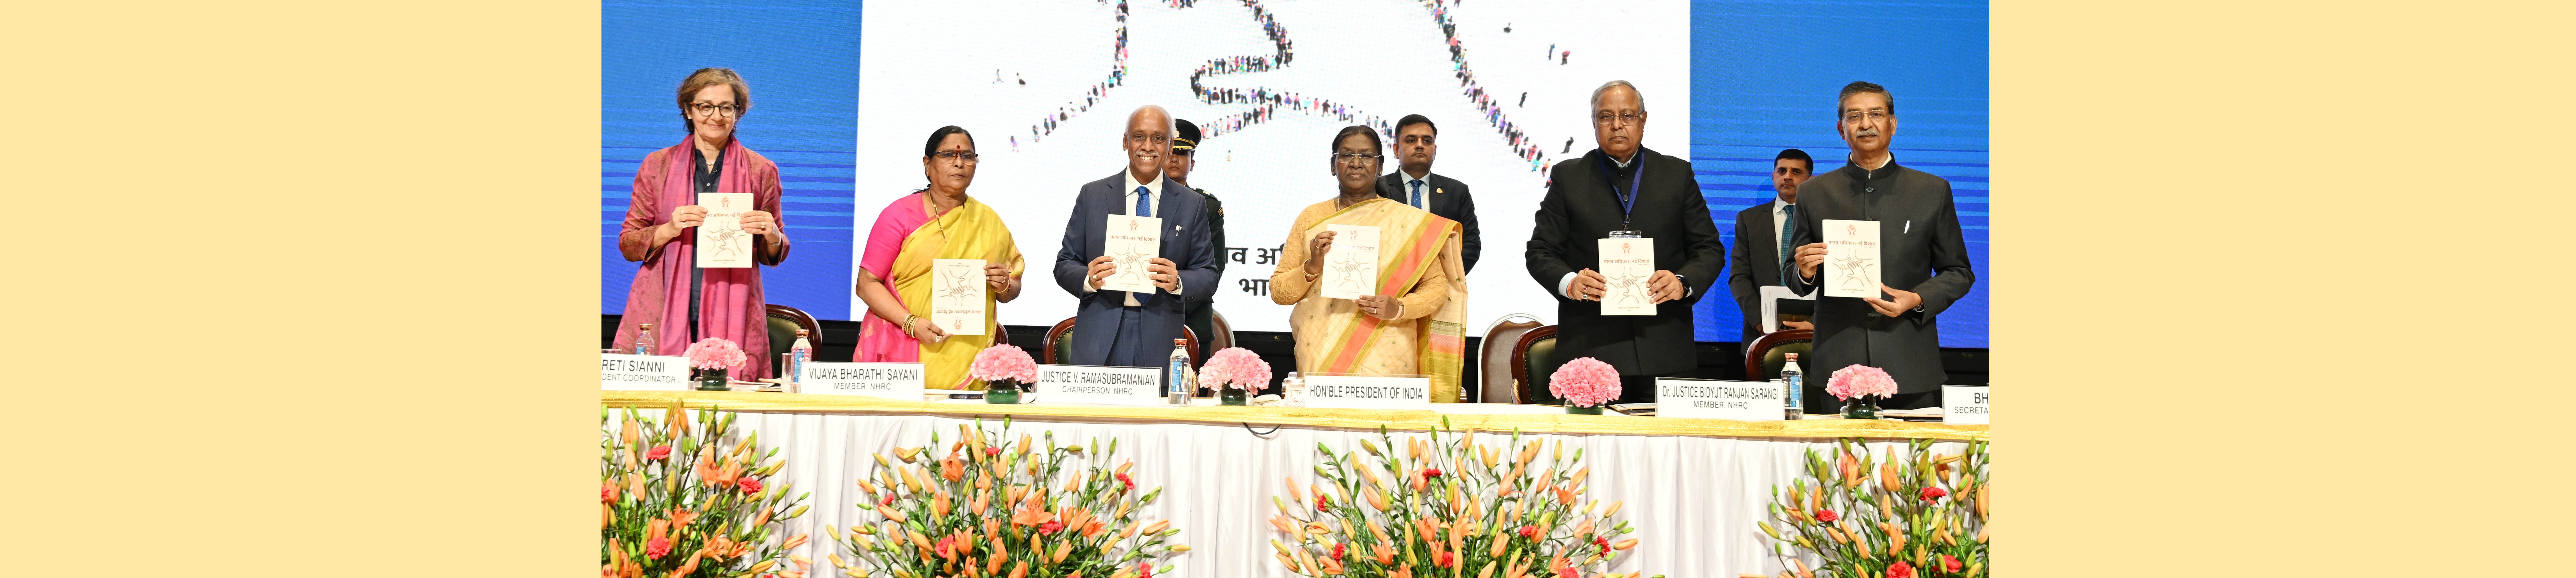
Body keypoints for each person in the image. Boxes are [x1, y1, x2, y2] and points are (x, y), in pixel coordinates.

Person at [1525, 80, 1725, 404]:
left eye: (1627, 115)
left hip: (1664, 347)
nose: (1617, 124)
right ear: (1594, 124)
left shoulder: (1677, 174)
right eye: (1606, 116)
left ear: (1643, 120)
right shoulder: (1569, 176)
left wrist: (1682, 282)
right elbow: (1540, 252)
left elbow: (1709, 249)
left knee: (1665, 454)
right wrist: (1571, 282)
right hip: (1591, 349)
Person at [1785, 81, 1976, 410]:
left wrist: (1917, 299)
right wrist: (1803, 270)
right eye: (1854, 116)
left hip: (1910, 362)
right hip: (1838, 364)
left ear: (1893, 124)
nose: (1865, 124)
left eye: (1876, 114)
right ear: (1840, 129)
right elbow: (1794, 278)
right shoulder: (1815, 193)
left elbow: (1958, 272)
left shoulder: (1931, 190)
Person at [612, 68, 790, 380]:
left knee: (730, 413)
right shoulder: (657, 165)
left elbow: (771, 252)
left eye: (726, 107)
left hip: (735, 302)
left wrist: (772, 234)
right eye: (705, 106)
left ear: (739, 113)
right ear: (688, 109)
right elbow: (628, 243)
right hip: (663, 303)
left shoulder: (762, 170)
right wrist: (668, 229)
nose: (716, 116)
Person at [1270, 126, 1467, 401]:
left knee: (1388, 442)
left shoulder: (1407, 221)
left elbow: (1437, 289)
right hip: (1323, 355)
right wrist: (1312, 266)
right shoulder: (1312, 217)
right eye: (1346, 155)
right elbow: (1279, 292)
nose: (1356, 162)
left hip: (1390, 353)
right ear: (1332, 165)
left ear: (1380, 166)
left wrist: (1398, 307)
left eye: (1366, 156)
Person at [851, 126, 1026, 389]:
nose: (959, 163)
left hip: (967, 355)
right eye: (948, 155)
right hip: (901, 346)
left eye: (968, 157)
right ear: (927, 164)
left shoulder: (988, 220)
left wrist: (1004, 284)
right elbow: (866, 284)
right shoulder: (898, 215)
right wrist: (911, 324)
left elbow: (1012, 287)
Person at [1051, 105, 1221, 367]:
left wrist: (1178, 281)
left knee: (1155, 410)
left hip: (1160, 337)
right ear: (1125, 141)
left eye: (1159, 138)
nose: (1148, 146)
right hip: (1099, 335)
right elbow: (1064, 265)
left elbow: (1208, 274)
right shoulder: (1093, 195)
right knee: (1095, 410)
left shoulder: (1192, 204)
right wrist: (1088, 277)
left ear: (1170, 144)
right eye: (1139, 136)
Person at [1727, 148, 1817, 344]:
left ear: (1810, 180)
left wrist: (1817, 323)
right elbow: (1739, 277)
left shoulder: (1823, 219)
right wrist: (1762, 323)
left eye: (1796, 172)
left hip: (1816, 332)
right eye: (1782, 171)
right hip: (1762, 335)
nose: (1787, 177)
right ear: (1773, 176)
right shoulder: (1749, 220)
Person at [1376, 114, 1483, 273]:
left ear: (1434, 150)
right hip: (1386, 288)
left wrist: (1440, 281)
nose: (1420, 145)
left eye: (1427, 141)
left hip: (1441, 289)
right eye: (1411, 140)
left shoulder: (1457, 191)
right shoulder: (1378, 188)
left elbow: (1471, 244)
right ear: (1397, 150)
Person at [1168, 119, 1228, 362]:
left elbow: (1214, 267)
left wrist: (1173, 304)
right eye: (1170, 152)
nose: (1174, 159)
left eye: (1182, 154)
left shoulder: (1207, 206)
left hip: (1191, 321)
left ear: (1193, 163)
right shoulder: (1135, 201)